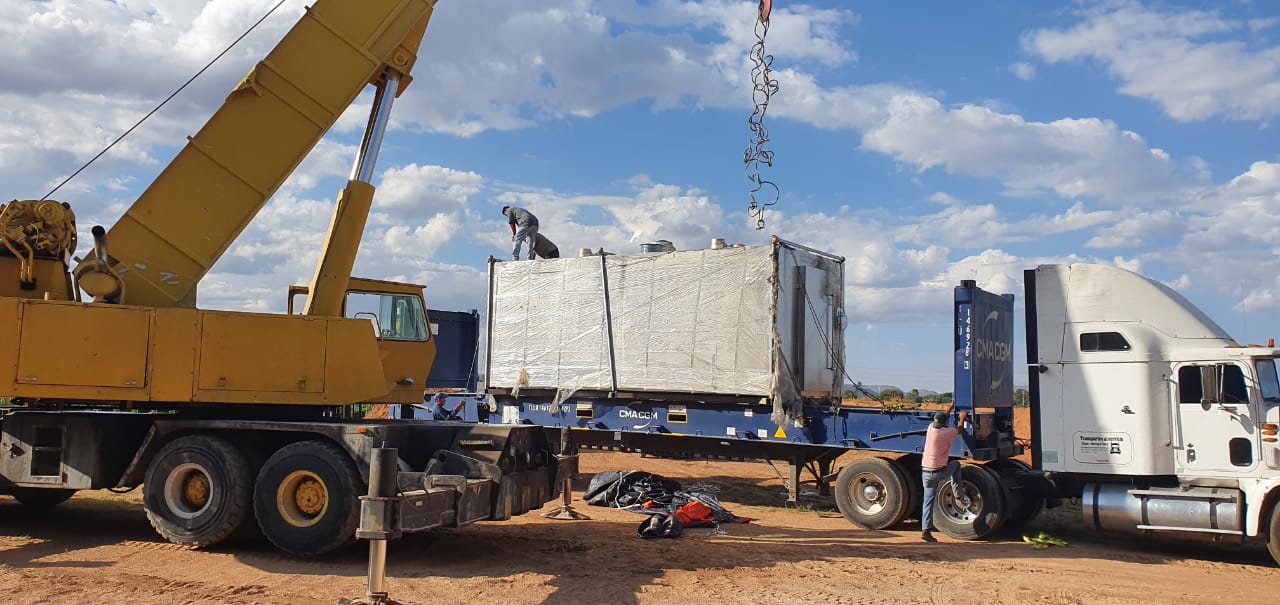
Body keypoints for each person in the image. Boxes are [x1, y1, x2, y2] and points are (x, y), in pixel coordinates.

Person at [920, 405, 968, 542]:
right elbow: (959, 430)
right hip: (939, 471)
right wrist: (963, 417)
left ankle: (926, 530)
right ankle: (958, 495)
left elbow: (944, 416)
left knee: (928, 502)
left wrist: (951, 406)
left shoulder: (931, 428)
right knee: (956, 465)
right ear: (945, 423)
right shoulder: (946, 433)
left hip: (926, 472)